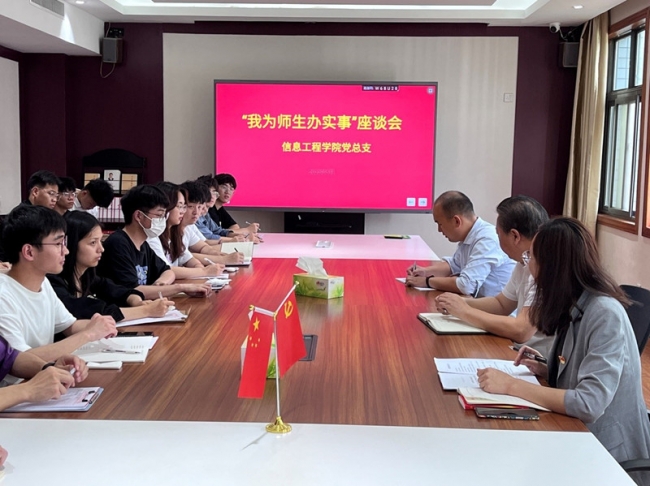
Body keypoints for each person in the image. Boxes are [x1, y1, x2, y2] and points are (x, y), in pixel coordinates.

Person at [477, 217, 650, 481]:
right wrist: (548, 368)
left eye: (531, 257)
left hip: (608, 457)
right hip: (577, 437)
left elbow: (589, 403)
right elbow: (585, 372)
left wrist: (511, 385)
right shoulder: (575, 302)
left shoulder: (605, 313)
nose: (528, 265)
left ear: (552, 267)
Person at [0, 205, 117, 384]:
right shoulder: (3, 295)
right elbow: (18, 360)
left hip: (43, 380)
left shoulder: (43, 282)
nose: (66, 251)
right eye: (58, 244)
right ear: (29, 252)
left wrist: (100, 326)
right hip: (17, 390)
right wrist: (88, 334)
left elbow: (68, 325)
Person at [435, 195, 553, 356]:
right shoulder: (523, 263)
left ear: (515, 236)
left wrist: (465, 311)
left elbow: (521, 331)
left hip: (538, 358)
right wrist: (459, 303)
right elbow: (501, 304)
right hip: (520, 350)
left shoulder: (541, 268)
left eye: (498, 235)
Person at [47, 211, 174, 322]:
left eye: (100, 241)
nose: (101, 249)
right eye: (93, 243)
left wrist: (137, 302)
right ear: (71, 245)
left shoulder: (87, 276)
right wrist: (146, 310)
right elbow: (92, 311)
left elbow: (119, 290)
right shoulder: (53, 283)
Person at [97, 184, 211, 299]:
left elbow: (168, 271)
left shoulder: (143, 245)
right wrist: (180, 288)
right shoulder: (118, 244)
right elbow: (133, 291)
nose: (163, 220)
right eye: (159, 215)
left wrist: (161, 284)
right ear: (139, 216)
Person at [406, 191, 514, 297]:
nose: (439, 230)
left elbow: (466, 285)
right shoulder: (469, 234)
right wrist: (425, 272)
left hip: (493, 307)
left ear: (456, 221)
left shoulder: (487, 239)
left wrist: (427, 281)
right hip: (478, 303)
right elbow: (454, 266)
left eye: (440, 224)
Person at [147, 182, 225, 278]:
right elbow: (165, 269)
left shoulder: (175, 232)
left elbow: (188, 258)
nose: (182, 211)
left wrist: (199, 268)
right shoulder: (152, 235)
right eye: (180, 206)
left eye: (184, 207)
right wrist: (204, 271)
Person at [180, 181, 245, 266]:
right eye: (190, 206)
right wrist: (223, 259)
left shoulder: (188, 227)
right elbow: (186, 256)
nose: (197, 212)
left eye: (199, 207)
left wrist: (218, 254)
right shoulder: (172, 229)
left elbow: (203, 246)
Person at [195, 176, 247, 243]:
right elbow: (209, 238)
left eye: (215, 193)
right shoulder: (196, 216)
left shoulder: (206, 214)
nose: (212, 196)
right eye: (209, 193)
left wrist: (242, 236)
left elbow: (218, 231)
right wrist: (233, 240)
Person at [209, 173, 260, 238]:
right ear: (215, 188)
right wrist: (247, 230)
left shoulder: (220, 209)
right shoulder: (209, 209)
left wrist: (238, 233)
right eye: (224, 187)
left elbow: (235, 226)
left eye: (231, 189)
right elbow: (217, 233)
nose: (227, 192)